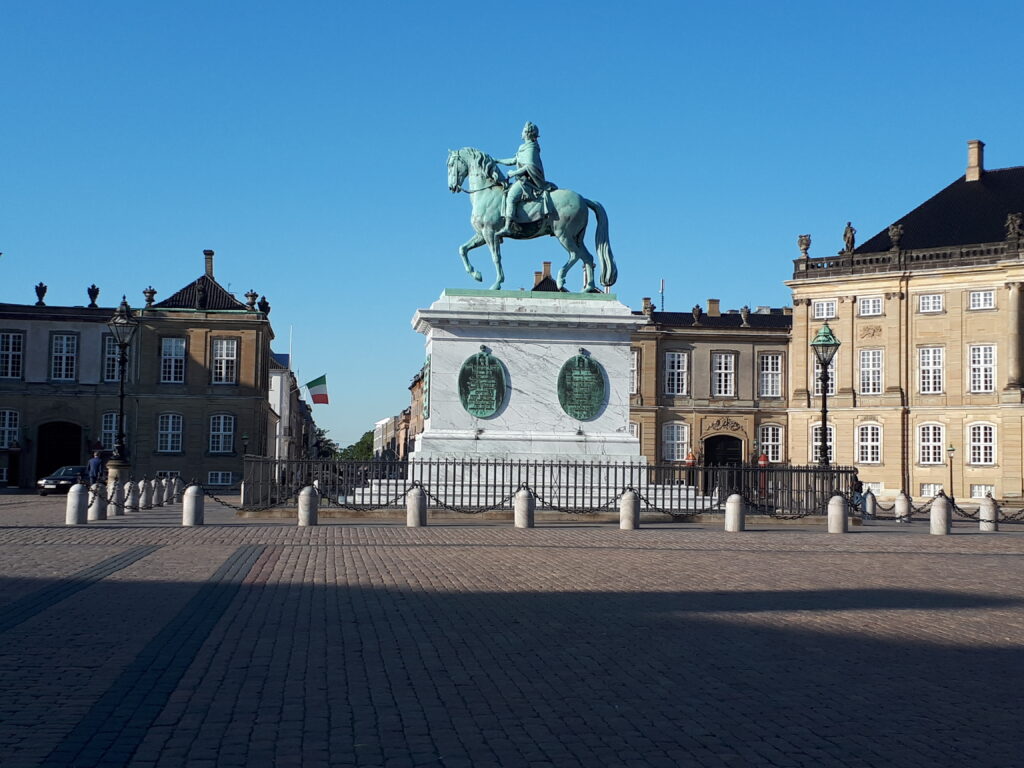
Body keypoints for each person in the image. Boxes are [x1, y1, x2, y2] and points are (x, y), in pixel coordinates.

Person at [495, 121, 555, 237]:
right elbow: (513, 160)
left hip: (529, 182)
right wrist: (497, 160)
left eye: (523, 131)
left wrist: (513, 173)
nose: (521, 134)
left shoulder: (532, 148)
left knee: (511, 196)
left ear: (527, 133)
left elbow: (529, 167)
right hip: (522, 180)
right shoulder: (523, 147)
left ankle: (507, 227)